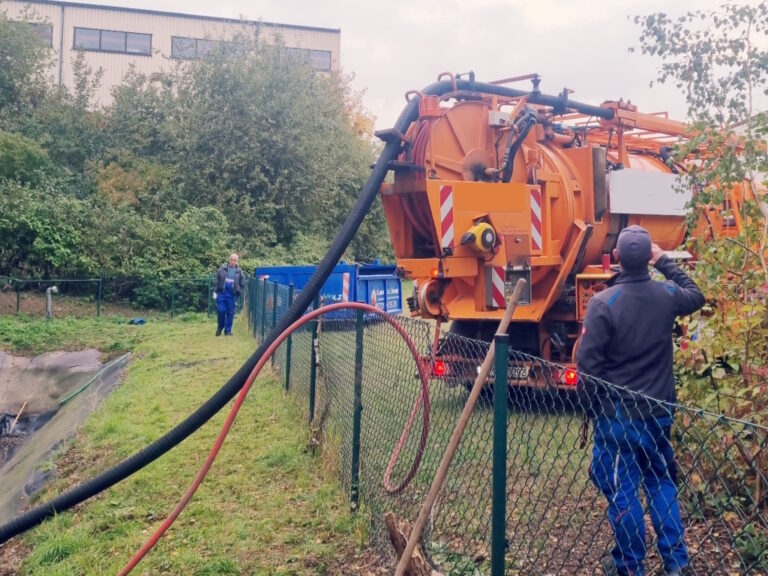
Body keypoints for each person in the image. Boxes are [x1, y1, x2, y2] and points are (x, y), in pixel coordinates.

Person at [576, 225, 705, 576]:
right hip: (659, 412)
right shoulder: (666, 294)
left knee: (622, 490)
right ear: (647, 257)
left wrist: (590, 410)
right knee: (660, 481)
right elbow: (696, 294)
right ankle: (677, 565)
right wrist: (664, 260)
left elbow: (588, 369)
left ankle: (630, 566)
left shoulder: (604, 303)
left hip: (619, 418)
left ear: (616, 257)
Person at [214, 253, 246, 336]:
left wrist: (239, 293)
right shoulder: (222, 269)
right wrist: (215, 291)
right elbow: (216, 280)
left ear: (237, 261)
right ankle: (220, 327)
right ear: (229, 260)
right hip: (221, 293)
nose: (233, 261)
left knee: (230, 313)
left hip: (232, 295)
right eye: (231, 259)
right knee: (221, 311)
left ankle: (227, 331)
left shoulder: (239, 272)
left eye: (234, 260)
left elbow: (242, 284)